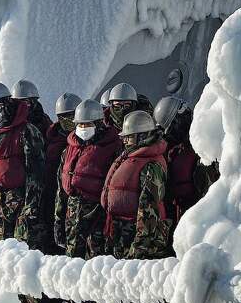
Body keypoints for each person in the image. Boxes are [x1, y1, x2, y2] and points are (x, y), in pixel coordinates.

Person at [55, 99, 122, 259]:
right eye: (80, 125)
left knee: (95, 262)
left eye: (88, 125)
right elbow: (61, 187)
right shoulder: (68, 151)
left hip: (97, 215)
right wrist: (59, 218)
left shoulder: (112, 148)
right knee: (72, 261)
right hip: (72, 215)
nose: (83, 129)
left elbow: (114, 187)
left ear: (99, 124)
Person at [0, 82, 45, 246]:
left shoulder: (27, 131)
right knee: (1, 255)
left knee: (23, 255)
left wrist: (30, 209)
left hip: (22, 204)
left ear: (5, 104)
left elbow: (36, 173)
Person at [101, 110, 170, 259]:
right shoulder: (130, 157)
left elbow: (149, 208)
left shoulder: (151, 164)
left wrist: (139, 247)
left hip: (141, 239)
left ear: (142, 136)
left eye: (129, 137)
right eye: (124, 137)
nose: (125, 141)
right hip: (123, 233)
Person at [154, 96, 219, 229]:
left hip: (203, 221)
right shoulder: (176, 153)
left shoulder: (205, 149)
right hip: (185, 222)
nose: (169, 137)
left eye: (170, 131)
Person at [40, 92, 82, 254]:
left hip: (71, 197)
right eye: (62, 117)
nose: (67, 121)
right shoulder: (51, 138)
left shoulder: (82, 141)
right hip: (51, 194)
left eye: (70, 116)